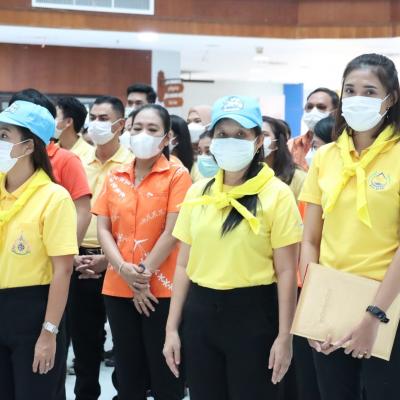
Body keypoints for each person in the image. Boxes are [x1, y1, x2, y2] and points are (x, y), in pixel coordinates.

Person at [164, 95, 303, 399]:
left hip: (255, 315)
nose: (230, 141)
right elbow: (183, 265)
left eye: (240, 134)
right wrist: (171, 328)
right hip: (200, 314)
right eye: (222, 134)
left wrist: (285, 336)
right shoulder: (198, 192)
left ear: (258, 141)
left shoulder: (277, 194)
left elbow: (286, 271)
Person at [299, 53, 400, 400]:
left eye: (370, 92)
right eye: (350, 90)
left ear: (391, 99)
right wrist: (312, 307)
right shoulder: (326, 157)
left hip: (388, 302)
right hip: (331, 299)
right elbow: (310, 240)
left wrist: (374, 316)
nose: (358, 98)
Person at [93, 104, 192, 400]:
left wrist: (141, 275)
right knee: (127, 375)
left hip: (162, 289)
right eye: (137, 128)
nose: (143, 135)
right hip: (118, 286)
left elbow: (173, 231)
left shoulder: (177, 175)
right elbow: (103, 229)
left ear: (166, 138)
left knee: (166, 374)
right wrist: (124, 269)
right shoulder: (115, 176)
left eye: (152, 129)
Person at [0, 100, 78, 399]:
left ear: (29, 146)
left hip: (33, 310)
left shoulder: (54, 198)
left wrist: (49, 333)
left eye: (4, 135)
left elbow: (63, 270)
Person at [69, 96, 133, 400]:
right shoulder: (77, 162)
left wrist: (109, 260)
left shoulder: (132, 163)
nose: (96, 123)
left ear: (120, 125)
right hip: (78, 258)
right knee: (83, 340)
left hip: (121, 263)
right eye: (92, 117)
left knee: (124, 341)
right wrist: (71, 253)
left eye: (104, 118)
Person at [288, 87, 338, 170]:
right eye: (309, 107)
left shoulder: (345, 144)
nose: (313, 112)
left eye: (321, 107)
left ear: (335, 112)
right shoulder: (291, 145)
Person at [263, 116, 306, 201]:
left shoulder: (299, 178)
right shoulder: (242, 175)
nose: (258, 139)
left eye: (265, 135)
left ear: (278, 142)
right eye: (255, 135)